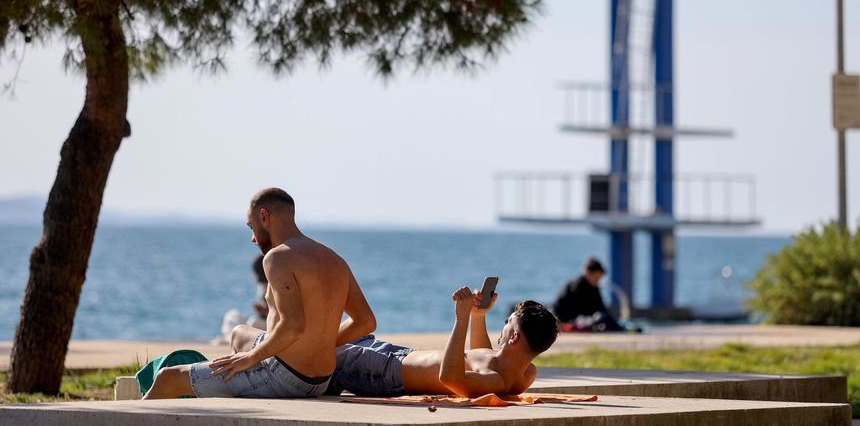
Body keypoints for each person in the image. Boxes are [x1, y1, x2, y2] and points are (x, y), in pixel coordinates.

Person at [143, 187, 376, 399]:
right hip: (321, 380)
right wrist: (318, 345)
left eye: (251, 226)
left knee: (167, 378)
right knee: (238, 332)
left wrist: (251, 358)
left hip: (285, 378)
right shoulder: (335, 260)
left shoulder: (277, 258)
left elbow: (293, 325)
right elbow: (365, 321)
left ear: (264, 217)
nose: (253, 238)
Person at [325, 286, 559, 398]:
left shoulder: (496, 381)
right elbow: (482, 354)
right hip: (394, 355)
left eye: (508, 322)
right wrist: (478, 317)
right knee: (329, 335)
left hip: (384, 373)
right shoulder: (522, 370)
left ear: (515, 337)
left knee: (317, 349)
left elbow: (450, 378)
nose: (504, 325)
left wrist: (461, 318)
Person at [552, 257, 623, 332]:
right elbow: (574, 310)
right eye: (596, 278)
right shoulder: (576, 286)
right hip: (565, 319)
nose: (598, 281)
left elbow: (601, 309)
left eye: (599, 278)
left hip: (579, 319)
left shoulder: (594, 287)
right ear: (588, 273)